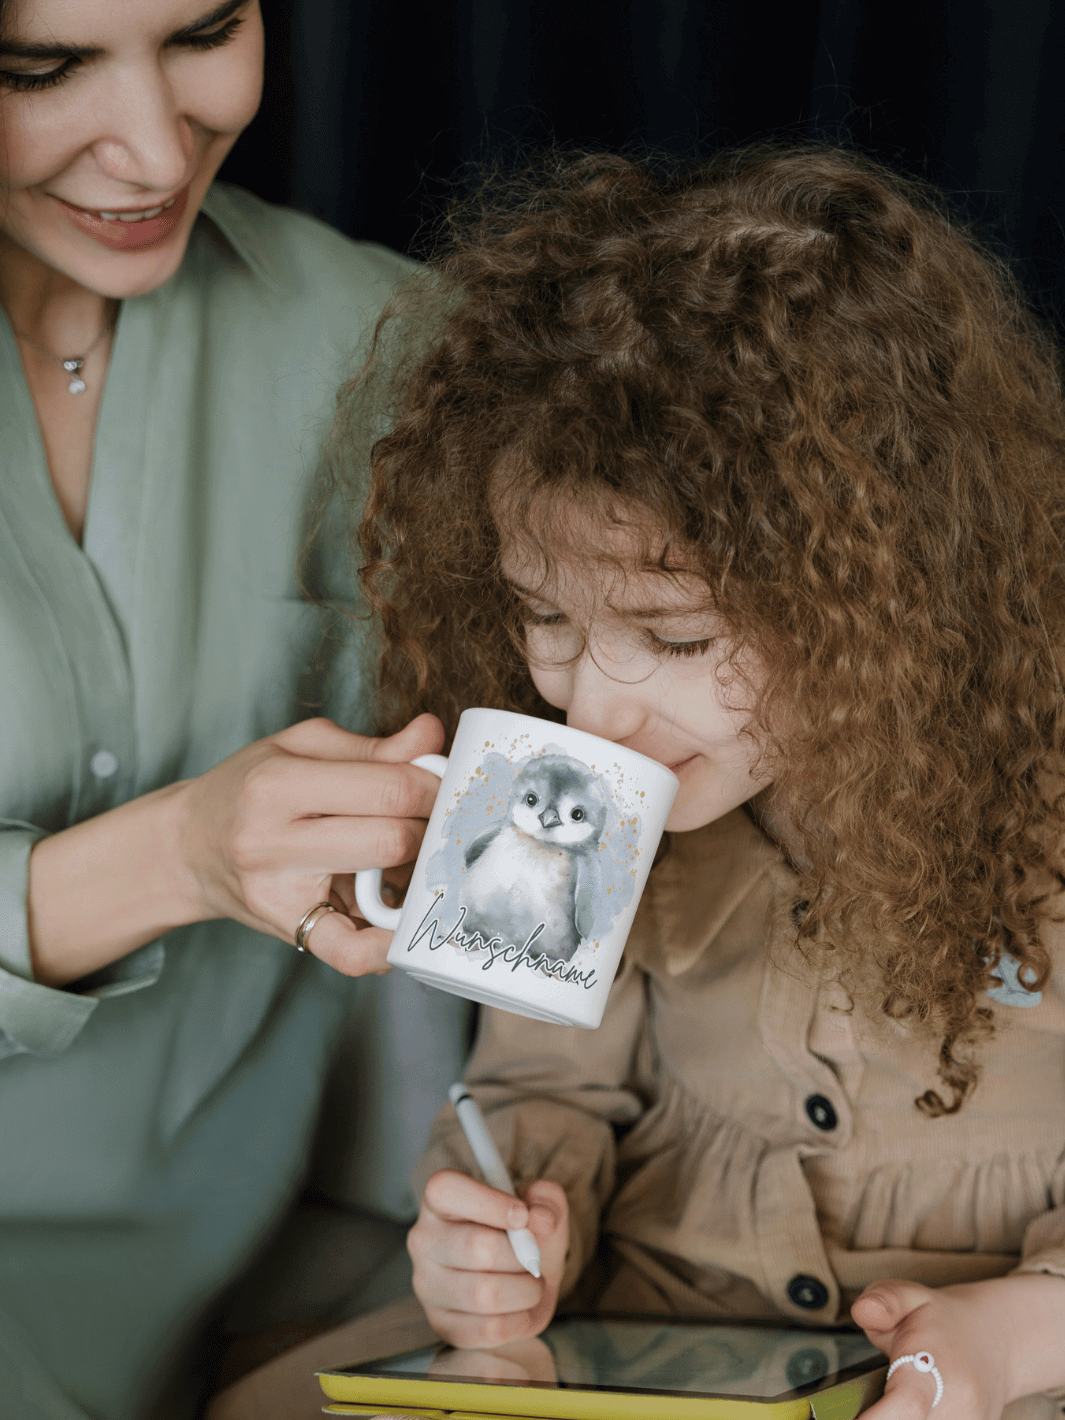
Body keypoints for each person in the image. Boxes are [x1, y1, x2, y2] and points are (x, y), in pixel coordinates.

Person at [345, 149, 1065, 1419]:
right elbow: (537, 1092)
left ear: (882, 593)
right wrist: (509, 1235)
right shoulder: (566, 799)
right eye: (541, 615)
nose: (590, 708)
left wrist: (1018, 1330)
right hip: (655, 1346)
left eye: (676, 638)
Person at [0, 1, 448, 1416]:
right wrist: (181, 854)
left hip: (284, 1274)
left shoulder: (386, 341)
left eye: (204, 32)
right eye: (41, 68)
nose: (152, 146)